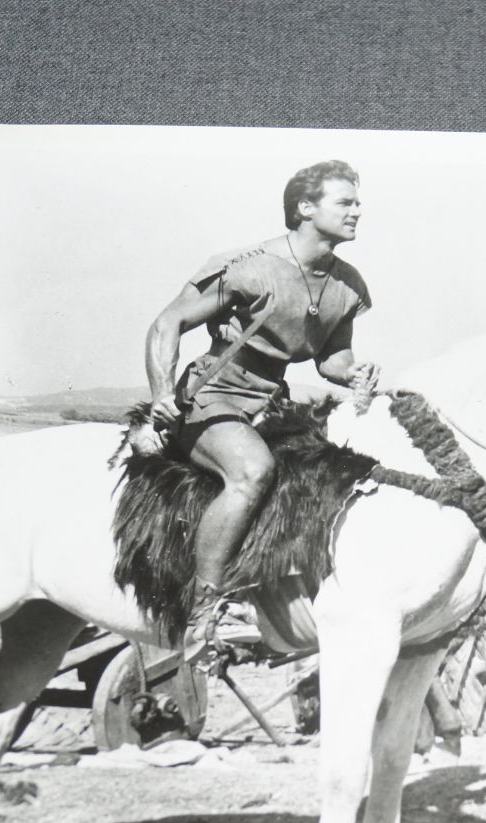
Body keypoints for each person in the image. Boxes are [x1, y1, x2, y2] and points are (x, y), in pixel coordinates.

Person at [144, 160, 375, 661]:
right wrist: (162, 391)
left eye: (358, 201)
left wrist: (355, 373)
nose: (359, 210)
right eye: (346, 202)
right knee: (252, 471)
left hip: (271, 403)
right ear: (305, 209)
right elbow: (167, 324)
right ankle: (204, 608)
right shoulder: (248, 266)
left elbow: (332, 359)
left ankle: (282, 599)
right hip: (212, 396)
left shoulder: (348, 285)